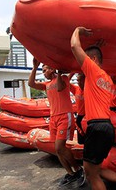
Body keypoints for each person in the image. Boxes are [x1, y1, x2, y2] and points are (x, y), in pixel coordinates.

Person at [70, 26, 116, 190]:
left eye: (86, 59)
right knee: (95, 169)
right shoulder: (106, 78)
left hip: (97, 127)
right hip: (107, 127)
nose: (83, 62)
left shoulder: (93, 71)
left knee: (91, 173)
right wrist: (97, 48)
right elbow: (90, 70)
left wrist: (78, 30)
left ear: (93, 60)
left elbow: (74, 46)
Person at [28, 59, 85, 187]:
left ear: (52, 69)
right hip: (53, 118)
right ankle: (71, 173)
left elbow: (60, 88)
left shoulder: (63, 78)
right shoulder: (46, 84)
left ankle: (78, 169)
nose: (44, 72)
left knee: (60, 146)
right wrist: (34, 67)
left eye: (45, 69)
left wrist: (58, 73)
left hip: (65, 116)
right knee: (57, 149)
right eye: (42, 71)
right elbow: (30, 83)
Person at [69, 73, 86, 144]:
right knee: (81, 139)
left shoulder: (90, 89)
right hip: (80, 116)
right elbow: (66, 82)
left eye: (81, 80)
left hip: (88, 116)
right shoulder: (76, 89)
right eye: (78, 80)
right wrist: (72, 72)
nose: (79, 82)